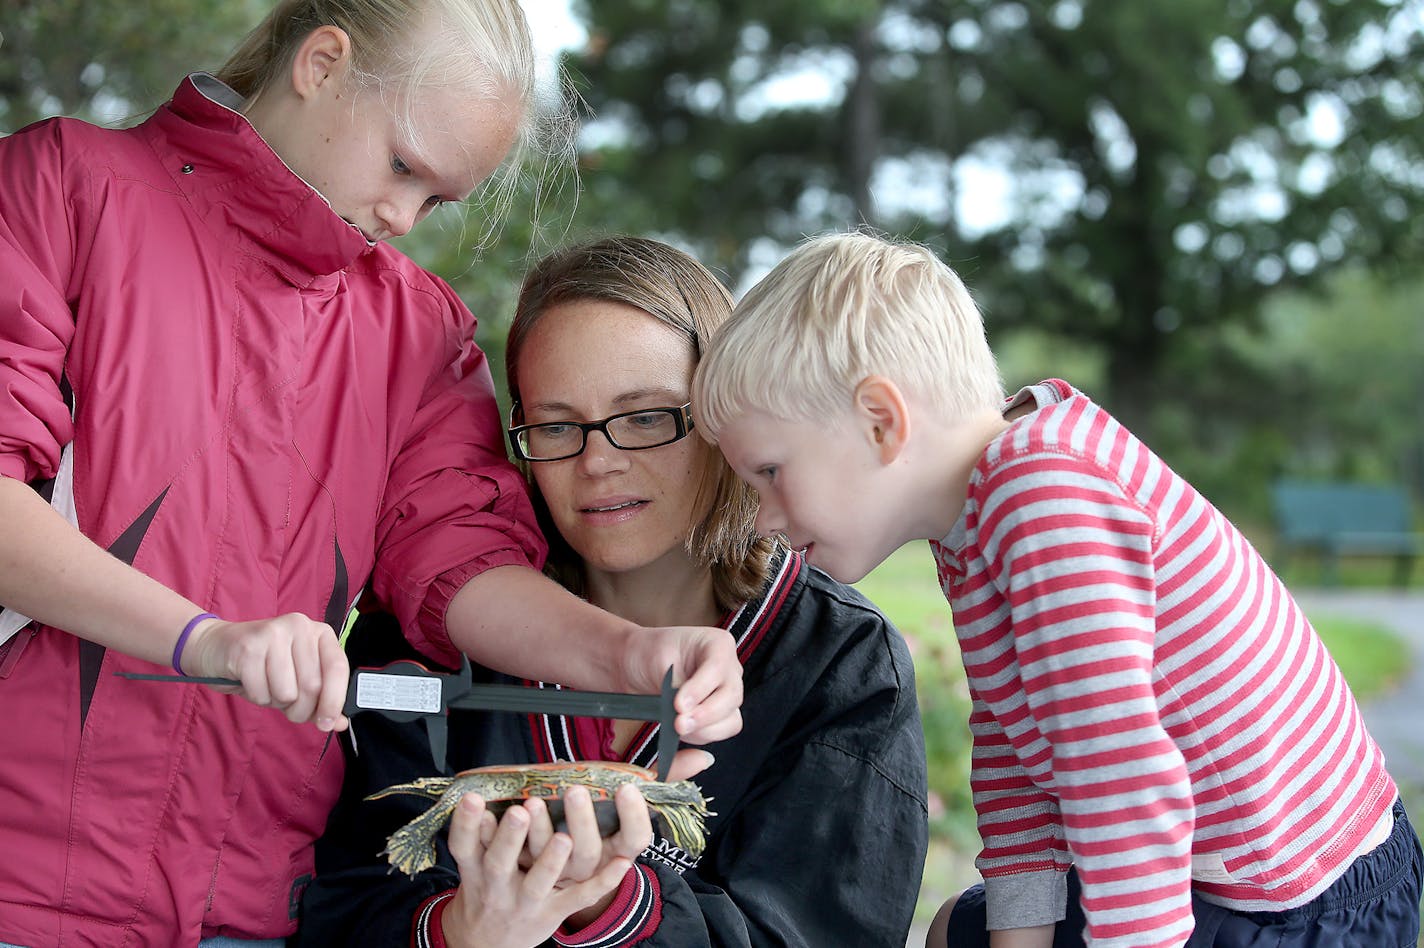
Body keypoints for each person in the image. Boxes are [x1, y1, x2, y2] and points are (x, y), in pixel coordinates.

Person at [0, 6, 742, 946]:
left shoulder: (418, 330)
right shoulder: (63, 185)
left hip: (250, 907)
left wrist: (621, 657)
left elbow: (460, 563)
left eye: (437, 201)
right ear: (322, 62)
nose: (401, 218)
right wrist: (209, 641)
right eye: (402, 167)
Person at [689, 230, 1424, 948]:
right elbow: (1015, 757)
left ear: (882, 423)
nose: (761, 516)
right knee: (964, 929)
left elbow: (1124, 782)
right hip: (1216, 881)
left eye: (769, 473)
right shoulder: (973, 526)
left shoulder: (1042, 490)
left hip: (1303, 901)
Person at [294, 235, 930, 947]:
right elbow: (341, 904)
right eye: (557, 425)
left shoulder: (837, 659)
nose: (598, 461)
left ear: (726, 417)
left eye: (647, 418)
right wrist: (458, 930)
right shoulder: (432, 630)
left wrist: (613, 909)